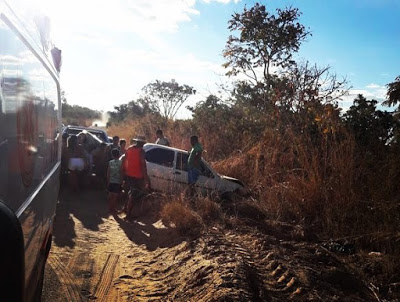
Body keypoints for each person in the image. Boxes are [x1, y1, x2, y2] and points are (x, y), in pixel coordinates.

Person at [122, 136, 149, 219]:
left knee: (129, 192)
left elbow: (124, 160)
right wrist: (146, 179)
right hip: (137, 176)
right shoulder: (141, 151)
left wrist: (124, 171)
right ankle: (128, 215)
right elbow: (143, 165)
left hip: (128, 174)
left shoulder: (129, 149)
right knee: (134, 195)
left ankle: (125, 209)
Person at [107, 148, 123, 213]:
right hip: (117, 181)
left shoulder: (110, 162)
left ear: (112, 155)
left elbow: (108, 172)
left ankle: (110, 208)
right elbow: (121, 172)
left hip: (111, 181)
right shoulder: (121, 163)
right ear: (119, 155)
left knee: (110, 195)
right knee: (115, 196)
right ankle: (113, 209)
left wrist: (108, 180)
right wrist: (122, 181)